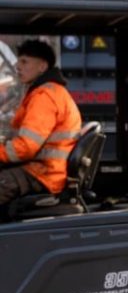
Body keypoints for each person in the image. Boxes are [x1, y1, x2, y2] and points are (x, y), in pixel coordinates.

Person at [0, 40, 82, 210]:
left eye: (24, 61)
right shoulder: (47, 91)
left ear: (42, 67)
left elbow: (25, 147)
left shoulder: (44, 96)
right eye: (18, 61)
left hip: (41, 173)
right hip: (41, 170)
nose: (18, 66)